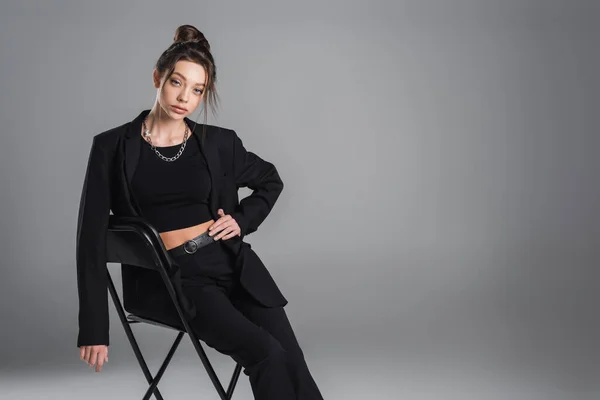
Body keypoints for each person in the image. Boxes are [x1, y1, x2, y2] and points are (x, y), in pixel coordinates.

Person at [76, 24, 324, 400]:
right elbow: (90, 238)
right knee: (267, 354)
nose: (184, 98)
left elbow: (270, 180)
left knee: (291, 358)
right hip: (173, 279)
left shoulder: (219, 143)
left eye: (197, 90)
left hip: (231, 265)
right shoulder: (112, 147)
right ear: (158, 77)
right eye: (177, 82)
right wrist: (94, 327)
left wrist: (241, 221)